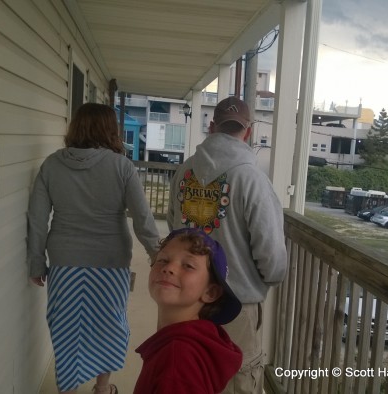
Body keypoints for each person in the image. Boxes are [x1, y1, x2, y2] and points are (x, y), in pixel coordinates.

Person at [27, 103, 160, 394]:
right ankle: (102, 387)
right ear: (110, 130)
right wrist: (158, 256)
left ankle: (69, 388)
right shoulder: (122, 167)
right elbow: (142, 218)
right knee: (109, 325)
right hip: (110, 261)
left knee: (66, 328)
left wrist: (36, 262)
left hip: (64, 260)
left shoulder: (51, 164)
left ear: (76, 126)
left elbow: (37, 218)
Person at [166, 96, 288, 393]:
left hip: (188, 300)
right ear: (248, 131)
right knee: (237, 380)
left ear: (212, 126)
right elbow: (271, 256)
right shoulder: (252, 179)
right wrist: (266, 279)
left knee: (189, 377)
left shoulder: (184, 172)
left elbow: (173, 228)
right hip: (236, 306)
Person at [134, 228, 243, 393]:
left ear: (210, 292)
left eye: (188, 265)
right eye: (163, 260)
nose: (169, 268)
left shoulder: (177, 360)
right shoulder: (189, 342)